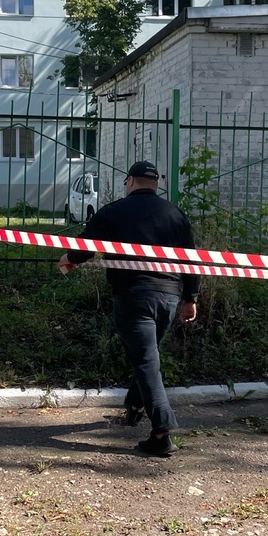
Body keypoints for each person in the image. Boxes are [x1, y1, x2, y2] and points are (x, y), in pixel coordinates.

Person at [58, 160, 199, 457]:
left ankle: (162, 432)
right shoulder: (175, 214)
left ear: (130, 181)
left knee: (146, 360)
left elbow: (85, 248)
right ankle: (135, 405)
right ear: (156, 184)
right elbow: (190, 260)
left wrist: (68, 260)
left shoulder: (113, 212)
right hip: (169, 297)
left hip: (134, 297)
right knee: (148, 355)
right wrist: (190, 298)